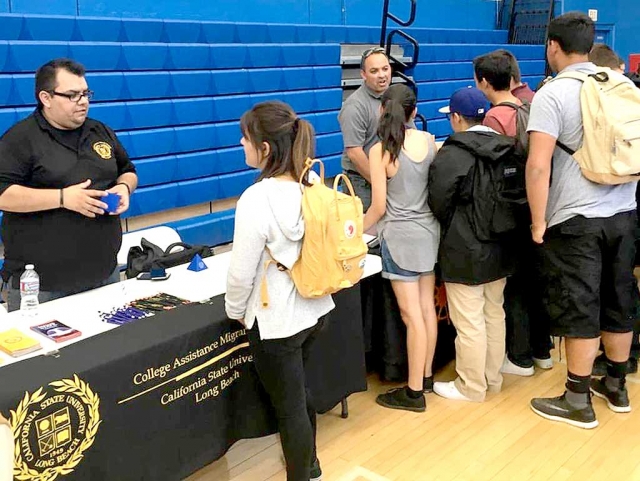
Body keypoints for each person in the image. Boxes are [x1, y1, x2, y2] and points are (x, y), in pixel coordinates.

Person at [526, 12, 637, 429]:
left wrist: (539, 222)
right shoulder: (618, 83)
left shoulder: (553, 95)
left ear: (552, 46)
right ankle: (616, 385)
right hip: (624, 211)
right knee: (618, 298)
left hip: (577, 217)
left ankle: (576, 398)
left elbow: (538, 167)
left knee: (581, 307)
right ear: (590, 46)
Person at [225, 101, 334, 481]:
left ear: (265, 148)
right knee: (299, 391)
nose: (241, 143)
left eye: (246, 138)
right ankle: (312, 464)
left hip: (275, 320)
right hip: (314, 307)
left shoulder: (256, 198)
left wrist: (235, 309)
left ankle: (302, 474)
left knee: (288, 407)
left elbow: (241, 271)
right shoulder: (312, 182)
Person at [0, 58, 137, 311]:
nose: (83, 101)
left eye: (86, 93)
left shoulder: (101, 131)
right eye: (72, 95)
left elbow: (127, 170)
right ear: (46, 97)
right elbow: (3, 194)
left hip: (104, 274)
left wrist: (124, 188)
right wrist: (63, 198)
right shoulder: (20, 139)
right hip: (42, 288)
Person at [428, 87, 515, 402]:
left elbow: (438, 200)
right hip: (502, 243)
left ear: (455, 117)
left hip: (464, 246)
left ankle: (471, 386)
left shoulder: (453, 152)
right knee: (494, 312)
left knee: (469, 322)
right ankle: (492, 379)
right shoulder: (508, 147)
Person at [474, 51, 553, 376]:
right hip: (532, 204)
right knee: (534, 282)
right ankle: (541, 350)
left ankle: (518, 356)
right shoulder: (529, 108)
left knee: (514, 287)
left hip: (508, 211)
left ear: (483, 81)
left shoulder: (495, 118)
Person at [363, 84, 439, 412]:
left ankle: (413, 392)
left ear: (383, 110)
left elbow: (378, 207)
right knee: (426, 310)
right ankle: (426, 375)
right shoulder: (429, 140)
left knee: (411, 317)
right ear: (413, 111)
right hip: (429, 233)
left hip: (399, 237)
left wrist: (355, 232)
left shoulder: (380, 151)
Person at [338, 47, 392, 210]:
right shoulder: (354, 106)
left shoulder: (393, 97)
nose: (382, 75)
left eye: (385, 68)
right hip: (361, 183)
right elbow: (354, 153)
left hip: (386, 177)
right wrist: (380, 184)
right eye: (374, 71)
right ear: (363, 75)